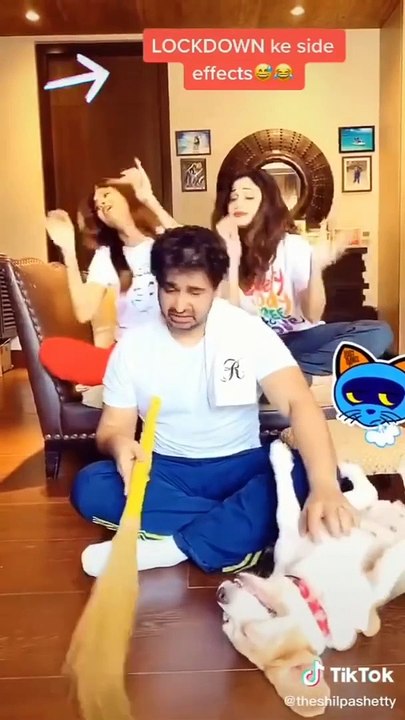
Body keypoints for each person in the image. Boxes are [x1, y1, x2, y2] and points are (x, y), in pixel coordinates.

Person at [71, 225, 358, 578]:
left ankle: (171, 548)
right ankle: (236, 532)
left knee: (304, 471)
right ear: (158, 283)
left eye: (195, 292)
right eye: (170, 289)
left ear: (217, 287)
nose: (180, 305)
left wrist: (325, 486)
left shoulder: (247, 331)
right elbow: (113, 428)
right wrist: (118, 446)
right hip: (166, 470)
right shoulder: (132, 347)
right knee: (90, 485)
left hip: (240, 464)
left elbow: (299, 403)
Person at [212, 169, 393, 380]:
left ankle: (284, 373)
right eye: (233, 197)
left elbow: (313, 315)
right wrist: (232, 254)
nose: (238, 203)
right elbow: (230, 320)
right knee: (223, 348)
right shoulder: (221, 251)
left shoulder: (293, 246)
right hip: (256, 341)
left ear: (267, 204)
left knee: (379, 333)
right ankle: (287, 375)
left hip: (301, 337)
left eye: (248, 196)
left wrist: (315, 264)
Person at [39, 159, 179, 388]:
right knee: (51, 350)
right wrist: (68, 250)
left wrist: (149, 199)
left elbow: (194, 253)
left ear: (127, 197)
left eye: (106, 194)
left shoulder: (163, 239)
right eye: (96, 205)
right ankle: (126, 377)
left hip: (170, 349)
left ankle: (127, 380)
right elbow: (84, 312)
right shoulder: (106, 255)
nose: (101, 203)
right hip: (126, 355)